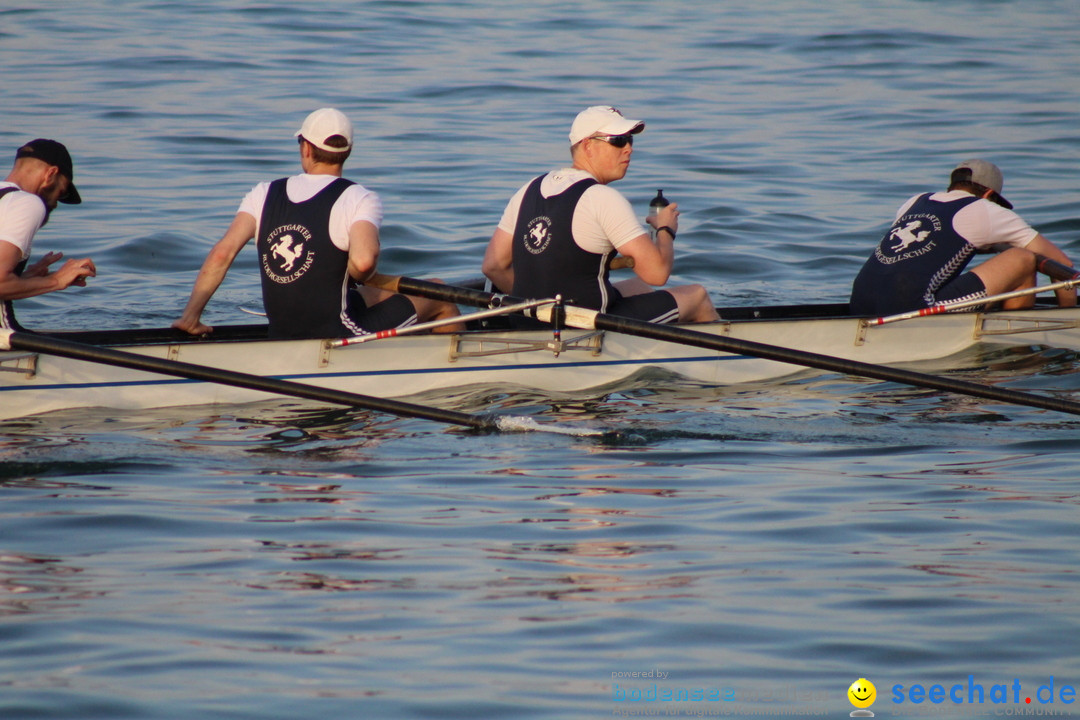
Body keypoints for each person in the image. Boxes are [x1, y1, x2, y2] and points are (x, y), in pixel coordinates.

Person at [173, 108, 461, 339]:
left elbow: (222, 254)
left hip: (281, 332)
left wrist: (191, 317)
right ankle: (449, 377)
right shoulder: (358, 198)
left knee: (371, 293)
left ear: (306, 149)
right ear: (347, 152)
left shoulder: (262, 193)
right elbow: (362, 264)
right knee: (437, 292)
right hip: (338, 335)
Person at [481, 105, 719, 324]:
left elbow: (493, 266)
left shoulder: (528, 189)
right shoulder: (603, 199)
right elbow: (657, 274)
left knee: (639, 286)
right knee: (697, 296)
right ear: (587, 146)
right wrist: (665, 230)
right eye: (617, 140)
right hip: (585, 326)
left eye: (630, 140)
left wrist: (538, 310)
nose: (629, 148)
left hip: (528, 321)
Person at [850, 159, 1076, 317]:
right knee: (1024, 259)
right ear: (989, 195)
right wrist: (1070, 318)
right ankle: (1018, 351)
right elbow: (1062, 264)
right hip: (913, 307)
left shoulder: (916, 201)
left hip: (860, 301)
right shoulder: (986, 208)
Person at [0, 139, 96, 330]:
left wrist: (24, 277)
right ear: (50, 174)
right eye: (61, 192)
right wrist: (56, 281)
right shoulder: (27, 202)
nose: (55, 204)